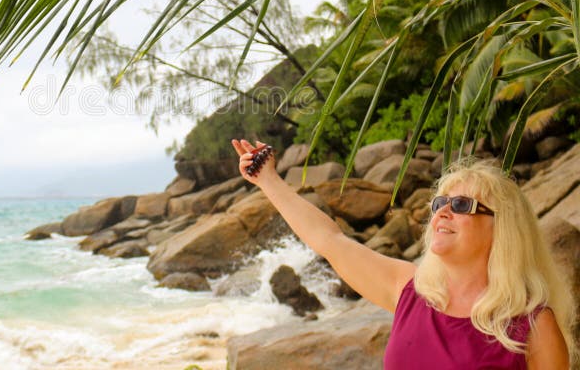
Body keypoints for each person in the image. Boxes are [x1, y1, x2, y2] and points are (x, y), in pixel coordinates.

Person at [231, 139, 574, 369]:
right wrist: (269, 180)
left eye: (460, 205)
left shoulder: (532, 326)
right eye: (440, 202)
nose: (442, 212)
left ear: (503, 227)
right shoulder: (410, 290)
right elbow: (329, 240)